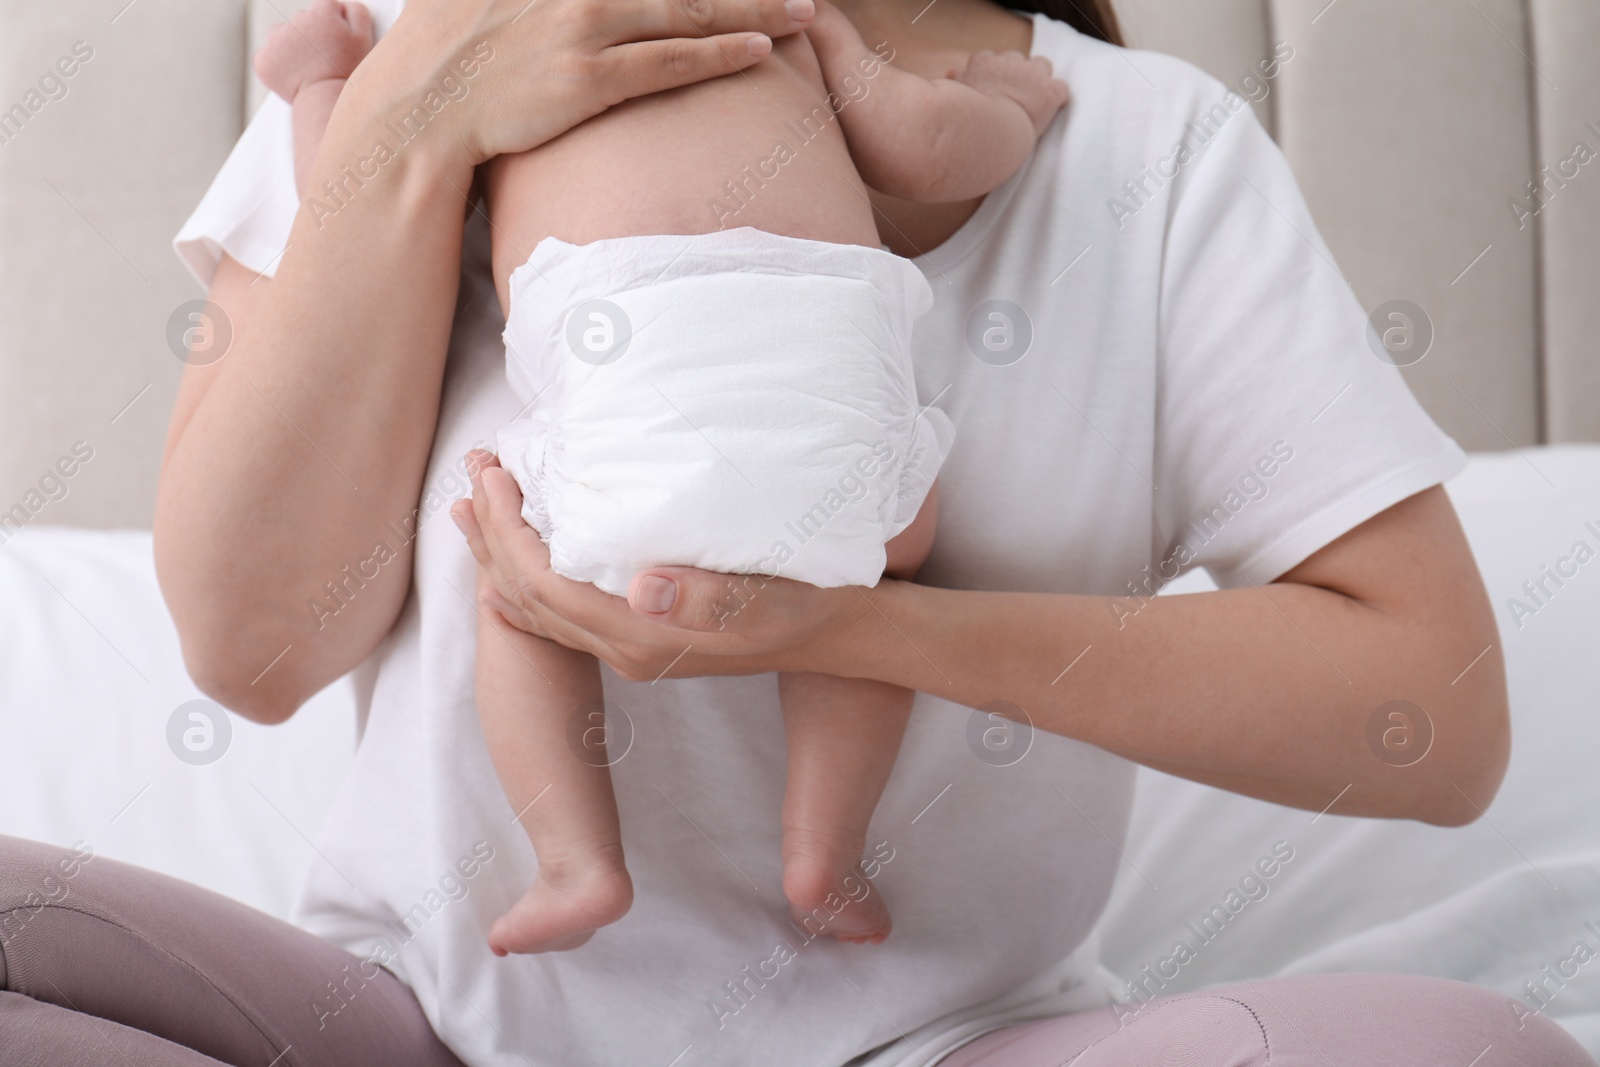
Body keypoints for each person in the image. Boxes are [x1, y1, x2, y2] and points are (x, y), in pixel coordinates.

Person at [0, 0, 1592, 1063]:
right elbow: (252, 649)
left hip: (946, 1044)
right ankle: (580, 862)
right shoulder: (430, 71)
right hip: (428, 1028)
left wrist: (855, 624)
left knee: (1473, 1050)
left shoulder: (1126, 147)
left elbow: (1429, 718)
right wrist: (412, 129)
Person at [253, 0, 1069, 956]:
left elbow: (347, 196)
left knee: (523, 595)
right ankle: (824, 850)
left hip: (628, 402)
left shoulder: (498, 57)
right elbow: (927, 149)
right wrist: (1005, 109)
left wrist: (325, 84)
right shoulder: (788, 24)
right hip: (834, 408)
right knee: (869, 590)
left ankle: (577, 861)